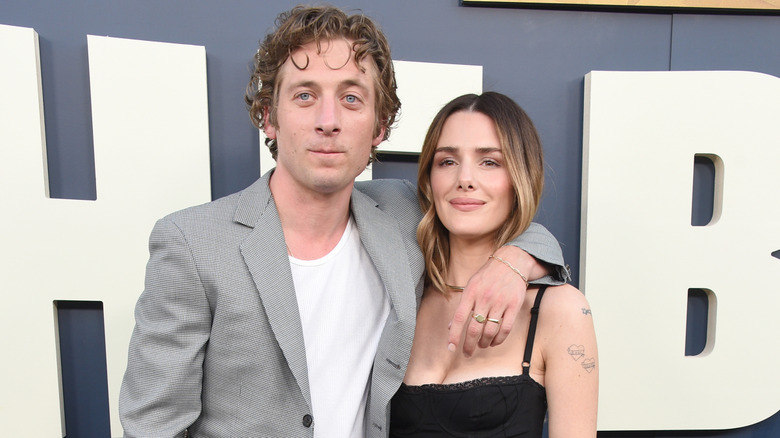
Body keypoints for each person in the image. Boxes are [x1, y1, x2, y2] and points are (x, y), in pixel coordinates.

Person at [119, 6, 569, 437]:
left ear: (379, 126)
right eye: (304, 95)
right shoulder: (193, 244)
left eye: (351, 98)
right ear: (268, 117)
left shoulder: (400, 213)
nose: (328, 121)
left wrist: (513, 262)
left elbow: (497, 213)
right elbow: (152, 427)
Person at [390, 92, 598, 437]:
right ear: (428, 179)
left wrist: (518, 259)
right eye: (447, 161)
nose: (465, 178)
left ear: (520, 178)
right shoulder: (399, 297)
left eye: (490, 162)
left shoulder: (559, 310)